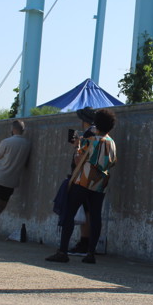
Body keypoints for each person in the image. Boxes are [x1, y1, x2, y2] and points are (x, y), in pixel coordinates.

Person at [46, 108, 117, 265]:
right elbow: (112, 162)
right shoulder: (112, 143)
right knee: (96, 216)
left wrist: (77, 147)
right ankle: (91, 254)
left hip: (83, 181)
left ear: (96, 123)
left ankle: (63, 252)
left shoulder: (90, 140)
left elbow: (78, 160)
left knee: (69, 213)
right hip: (100, 184)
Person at [67, 107, 97, 256]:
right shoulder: (97, 133)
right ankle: (87, 243)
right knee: (89, 210)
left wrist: (76, 146)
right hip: (93, 178)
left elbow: (80, 158)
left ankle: (84, 242)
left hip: (83, 177)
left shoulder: (89, 134)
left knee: (84, 211)